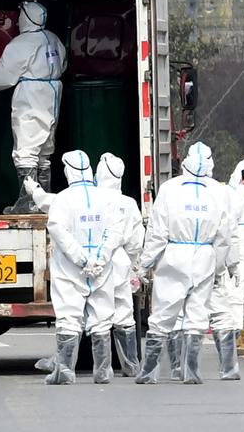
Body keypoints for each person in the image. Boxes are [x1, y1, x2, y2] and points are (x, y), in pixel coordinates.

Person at [135, 143, 231, 385]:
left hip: (174, 254)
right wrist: (218, 268)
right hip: (205, 255)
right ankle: (191, 371)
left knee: (164, 313)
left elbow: (157, 233)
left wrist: (144, 264)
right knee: (197, 314)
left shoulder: (170, 189)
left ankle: (148, 371)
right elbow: (224, 236)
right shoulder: (219, 192)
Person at [0, 1, 67, 214]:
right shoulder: (53, 38)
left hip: (31, 97)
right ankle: (44, 200)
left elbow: (3, 78)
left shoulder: (21, 43)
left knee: (25, 149)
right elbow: (64, 63)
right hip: (52, 93)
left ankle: (28, 201)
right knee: (43, 151)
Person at [44, 151, 123, 385]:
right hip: (102, 268)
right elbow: (115, 231)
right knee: (101, 316)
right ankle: (103, 371)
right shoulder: (106, 198)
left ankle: (66, 371)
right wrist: (99, 258)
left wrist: (81, 259)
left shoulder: (63, 199)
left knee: (69, 315)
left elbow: (59, 231)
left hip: (70, 268)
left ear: (68, 171)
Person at [201, 157, 244, 381]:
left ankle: (237, 326)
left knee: (242, 289)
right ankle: (234, 327)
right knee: (236, 289)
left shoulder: (238, 193)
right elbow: (230, 223)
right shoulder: (236, 194)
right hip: (242, 247)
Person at [95, 153, 145, 378]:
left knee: (99, 313)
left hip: (96, 260)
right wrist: (135, 267)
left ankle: (103, 368)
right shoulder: (128, 203)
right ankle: (130, 365)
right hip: (122, 260)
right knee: (124, 312)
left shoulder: (91, 198)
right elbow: (136, 241)